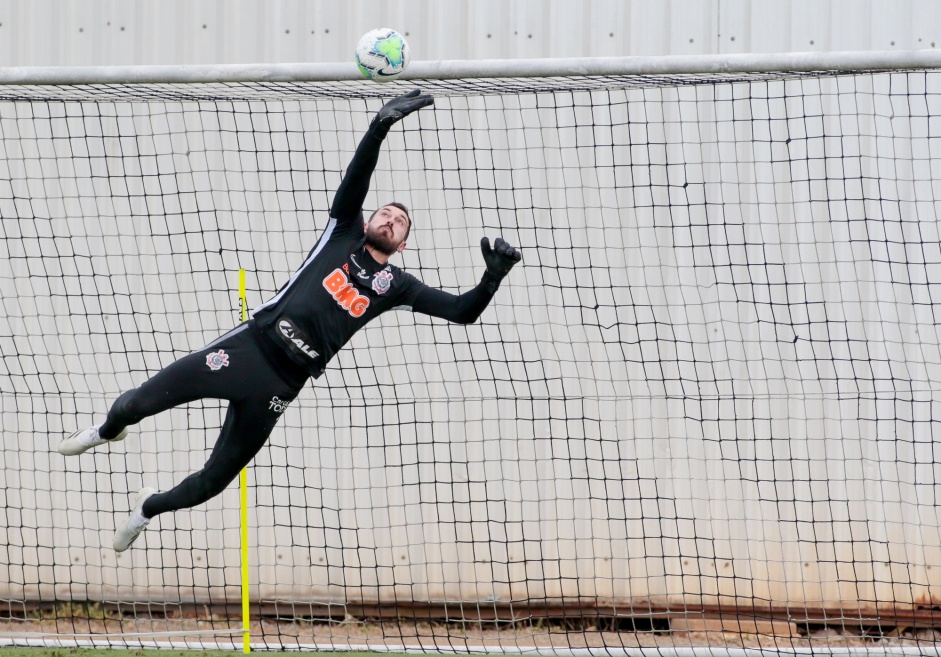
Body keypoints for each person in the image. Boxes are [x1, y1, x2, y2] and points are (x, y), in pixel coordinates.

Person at [58, 90, 522, 551]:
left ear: (402, 245)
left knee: (215, 480)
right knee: (137, 405)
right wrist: (379, 127)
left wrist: (491, 278)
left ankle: (147, 509)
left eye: (400, 221)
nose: (390, 218)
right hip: (249, 349)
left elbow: (463, 313)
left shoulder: (397, 286)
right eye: (385, 212)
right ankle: (105, 432)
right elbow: (356, 180)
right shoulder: (341, 234)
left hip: (281, 385)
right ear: (366, 222)